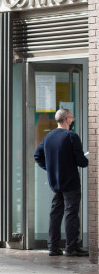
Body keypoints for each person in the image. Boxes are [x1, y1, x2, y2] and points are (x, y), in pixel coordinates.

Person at [34, 108, 89, 257]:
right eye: (72, 117)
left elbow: (37, 155)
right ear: (67, 119)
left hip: (55, 182)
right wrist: (86, 159)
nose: (73, 120)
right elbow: (81, 162)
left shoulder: (48, 137)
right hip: (71, 182)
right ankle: (71, 248)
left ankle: (53, 247)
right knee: (71, 214)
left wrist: (51, 169)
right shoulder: (71, 136)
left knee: (55, 214)